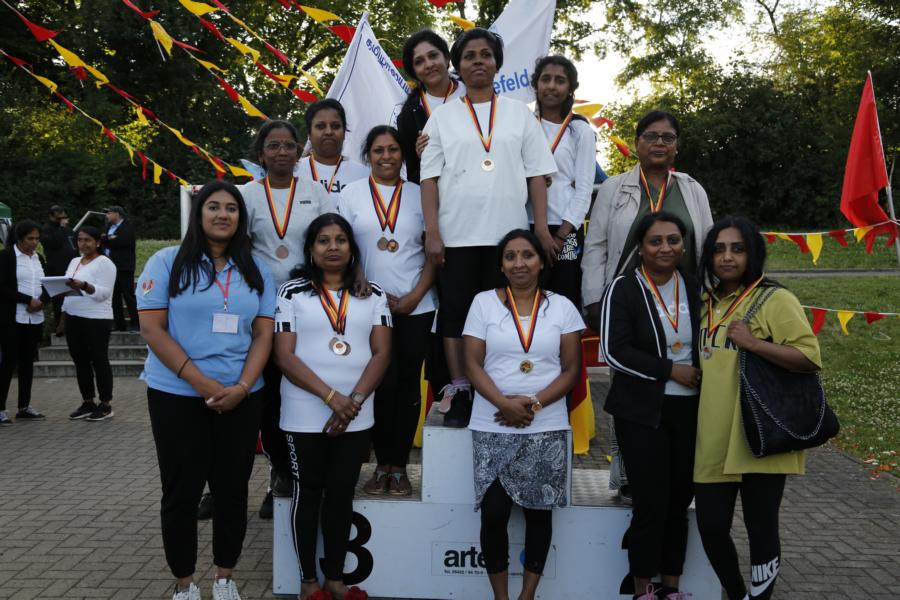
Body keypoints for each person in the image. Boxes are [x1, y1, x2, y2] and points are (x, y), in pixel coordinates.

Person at [137, 181, 275, 600]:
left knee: (232, 491)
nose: (222, 214)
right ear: (198, 214)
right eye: (213, 206)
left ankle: (225, 578)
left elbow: (263, 335)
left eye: (231, 208)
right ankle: (184, 584)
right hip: (176, 396)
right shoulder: (166, 262)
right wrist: (202, 384)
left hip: (241, 397)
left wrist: (243, 387)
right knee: (181, 492)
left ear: (240, 219)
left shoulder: (257, 269)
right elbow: (152, 329)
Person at [420, 27, 557, 427]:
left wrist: (541, 229)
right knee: (456, 316)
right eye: (469, 56)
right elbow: (429, 180)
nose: (478, 61)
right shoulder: (441, 118)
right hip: (457, 236)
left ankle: (500, 387)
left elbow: (537, 175)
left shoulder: (520, 114)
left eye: (485, 54)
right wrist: (433, 232)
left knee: (503, 316)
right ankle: (461, 389)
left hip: (508, 240)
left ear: (497, 64)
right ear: (458, 67)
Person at [581, 109, 713, 500]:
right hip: (630, 302)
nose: (659, 143)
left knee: (685, 389)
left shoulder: (692, 189)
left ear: (676, 147)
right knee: (631, 387)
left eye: (667, 137)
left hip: (683, 303)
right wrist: (594, 299)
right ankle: (628, 476)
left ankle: (680, 475)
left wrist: (713, 298)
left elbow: (706, 246)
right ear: (637, 143)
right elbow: (596, 245)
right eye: (651, 136)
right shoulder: (613, 188)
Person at [694, 216, 821, 600]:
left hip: (761, 434)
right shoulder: (704, 302)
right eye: (719, 249)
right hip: (712, 437)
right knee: (710, 526)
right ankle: (736, 593)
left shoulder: (775, 299)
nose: (727, 257)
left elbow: (808, 357)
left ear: (753, 254)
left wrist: (753, 343)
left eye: (738, 249)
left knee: (761, 527)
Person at [274, 213, 391, 600]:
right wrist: (331, 398)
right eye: (323, 240)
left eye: (340, 240)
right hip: (304, 415)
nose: (333, 247)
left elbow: (382, 353)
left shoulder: (373, 293)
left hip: (356, 416)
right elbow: (284, 356)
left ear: (352, 248)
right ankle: (308, 582)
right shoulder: (291, 292)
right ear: (310, 249)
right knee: (308, 493)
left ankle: (336, 579)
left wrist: (351, 403)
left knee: (341, 495)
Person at [463, 229, 583, 600]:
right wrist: (503, 403)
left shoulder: (562, 307)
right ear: (501, 265)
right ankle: (501, 597)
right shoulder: (483, 303)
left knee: (539, 512)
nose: (519, 263)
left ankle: (527, 596)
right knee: (494, 513)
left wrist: (534, 403)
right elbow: (472, 362)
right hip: (492, 421)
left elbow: (571, 370)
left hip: (545, 423)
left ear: (542, 262)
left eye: (528, 255)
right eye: (510, 256)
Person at [598, 212, 702, 600]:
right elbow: (614, 350)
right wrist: (670, 370)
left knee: (680, 500)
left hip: (691, 410)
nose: (665, 248)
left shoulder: (694, 286)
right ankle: (643, 587)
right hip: (642, 413)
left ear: (684, 245)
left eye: (673, 240)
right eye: (655, 241)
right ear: (640, 247)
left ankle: (671, 588)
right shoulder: (623, 288)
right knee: (651, 502)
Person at [238, 119, 334, 518]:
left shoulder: (316, 192)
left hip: (307, 306)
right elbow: (237, 249)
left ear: (299, 152)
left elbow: (333, 240)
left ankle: (306, 473)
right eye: (273, 146)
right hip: (261, 309)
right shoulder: (246, 195)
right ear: (261, 154)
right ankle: (279, 472)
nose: (281, 152)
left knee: (302, 392)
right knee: (268, 398)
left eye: (288, 146)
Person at [338, 126, 437, 496]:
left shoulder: (421, 193)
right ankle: (381, 465)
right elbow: (344, 247)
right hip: (368, 307)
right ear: (368, 155)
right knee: (380, 385)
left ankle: (400, 467)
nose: (386, 156)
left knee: (408, 385)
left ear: (403, 154)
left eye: (393, 149)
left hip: (417, 305)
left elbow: (434, 251)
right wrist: (358, 278)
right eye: (378, 150)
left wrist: (416, 295)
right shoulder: (351, 194)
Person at [529, 55, 596, 309]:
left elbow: (584, 189)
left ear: (570, 88)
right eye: (545, 79)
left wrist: (560, 236)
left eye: (559, 81)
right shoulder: (523, 125)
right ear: (536, 85)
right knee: (528, 296)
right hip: (527, 225)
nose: (551, 86)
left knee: (564, 298)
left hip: (565, 229)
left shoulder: (580, 130)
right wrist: (540, 231)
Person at [62, 225, 118, 422]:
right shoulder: (74, 261)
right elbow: (67, 290)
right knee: (80, 362)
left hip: (96, 319)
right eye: (80, 240)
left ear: (98, 242)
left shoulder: (105, 263)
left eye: (87, 240)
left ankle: (105, 404)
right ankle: (88, 402)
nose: (83, 244)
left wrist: (85, 286)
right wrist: (63, 317)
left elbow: (104, 293)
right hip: (73, 316)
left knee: (99, 360)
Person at [396, 29, 465, 184]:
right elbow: (414, 176)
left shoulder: (473, 89)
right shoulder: (409, 115)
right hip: (445, 193)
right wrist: (424, 159)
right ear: (414, 71)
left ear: (446, 58)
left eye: (433, 56)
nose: (428, 64)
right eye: (419, 62)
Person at [0, 220, 49, 425]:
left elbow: (47, 285)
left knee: (27, 362)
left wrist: (41, 301)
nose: (34, 242)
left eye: (37, 238)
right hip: (12, 318)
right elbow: (2, 287)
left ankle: (24, 407)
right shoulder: (6, 257)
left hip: (34, 318)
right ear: (19, 238)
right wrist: (27, 300)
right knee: (8, 362)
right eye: (30, 238)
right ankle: (1, 409)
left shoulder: (39, 258)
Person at [296, 99, 369, 205]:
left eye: (335, 126)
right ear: (309, 134)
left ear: (344, 132)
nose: (329, 132)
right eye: (321, 126)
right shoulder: (293, 172)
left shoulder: (364, 174)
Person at [40, 205, 77, 332]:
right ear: (51, 216)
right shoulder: (46, 229)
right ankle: (59, 325)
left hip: (71, 267)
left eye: (64, 217)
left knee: (73, 297)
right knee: (59, 299)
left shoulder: (68, 230)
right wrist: (61, 228)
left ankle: (72, 325)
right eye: (59, 218)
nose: (62, 220)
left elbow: (74, 245)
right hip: (56, 269)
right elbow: (53, 243)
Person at [102, 205, 139, 331]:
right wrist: (108, 238)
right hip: (110, 268)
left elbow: (122, 241)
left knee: (128, 296)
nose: (107, 216)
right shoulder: (108, 227)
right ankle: (119, 324)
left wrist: (106, 239)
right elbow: (101, 241)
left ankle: (136, 323)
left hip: (124, 267)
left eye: (109, 213)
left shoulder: (127, 226)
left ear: (117, 214)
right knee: (114, 297)